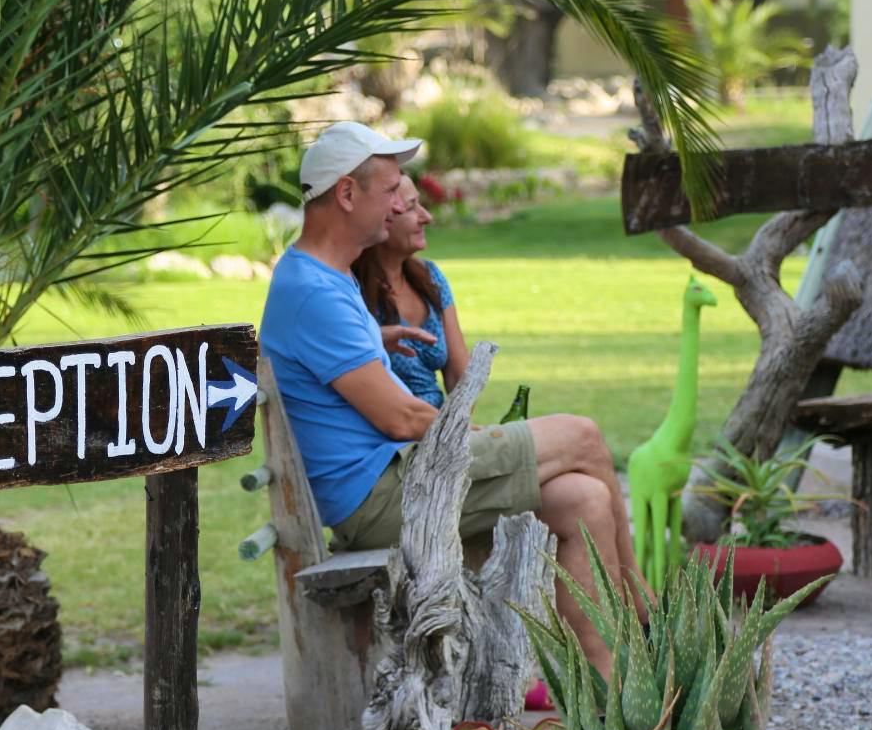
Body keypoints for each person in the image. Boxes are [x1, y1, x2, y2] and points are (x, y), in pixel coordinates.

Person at [259, 122, 644, 675]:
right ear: (346, 194)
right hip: (382, 496)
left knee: (584, 498)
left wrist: (375, 342)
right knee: (582, 436)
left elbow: (336, 366)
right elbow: (399, 418)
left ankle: (602, 684)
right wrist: (477, 434)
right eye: (389, 191)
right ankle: (640, 606)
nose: (399, 205)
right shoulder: (314, 290)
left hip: (398, 480)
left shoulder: (325, 278)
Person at [350, 175, 464, 408]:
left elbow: (460, 377)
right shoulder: (350, 289)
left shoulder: (430, 276)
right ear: (381, 219)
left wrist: (453, 426)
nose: (426, 217)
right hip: (393, 425)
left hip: (440, 422)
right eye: (411, 207)